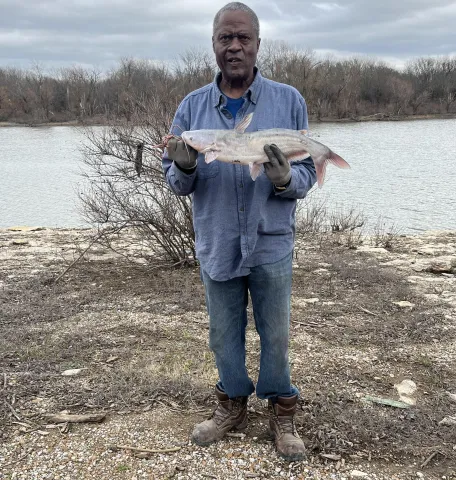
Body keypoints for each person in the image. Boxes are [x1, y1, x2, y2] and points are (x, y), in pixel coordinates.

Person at [162, 2, 316, 462]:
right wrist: (184, 167)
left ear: (257, 44)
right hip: (218, 241)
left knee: (276, 334)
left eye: (243, 37)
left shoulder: (289, 100)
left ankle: (282, 411)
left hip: (271, 242)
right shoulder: (191, 107)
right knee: (223, 334)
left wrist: (284, 178)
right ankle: (231, 404)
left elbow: (306, 176)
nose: (234, 46)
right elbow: (176, 182)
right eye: (225, 38)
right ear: (213, 44)